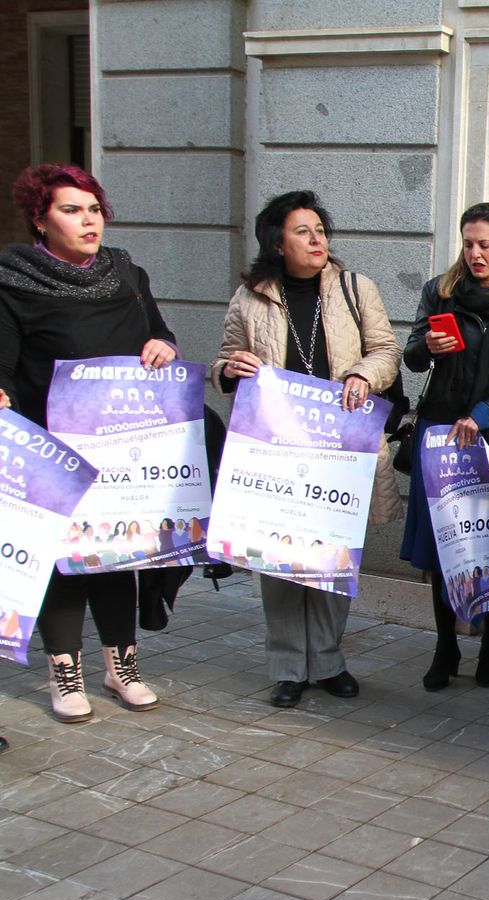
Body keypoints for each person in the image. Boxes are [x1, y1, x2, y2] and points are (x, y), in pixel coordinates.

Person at [0, 163, 176, 722]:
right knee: (65, 561)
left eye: (94, 209)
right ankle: (64, 671)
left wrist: (163, 346)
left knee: (117, 554)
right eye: (71, 210)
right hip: (52, 447)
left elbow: (160, 332)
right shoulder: (13, 279)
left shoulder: (126, 273)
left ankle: (121, 665)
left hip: (124, 444)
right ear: (40, 218)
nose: (88, 220)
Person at [215, 190, 402, 708]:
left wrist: (365, 374)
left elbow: (386, 351)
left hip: (338, 449)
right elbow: (225, 360)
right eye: (303, 231)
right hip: (275, 451)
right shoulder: (249, 297)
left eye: (320, 229)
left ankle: (327, 660)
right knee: (278, 561)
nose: (317, 238)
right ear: (277, 243)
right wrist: (230, 370)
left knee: (330, 556)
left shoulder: (354, 288)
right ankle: (287, 668)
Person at [401, 203, 489, 691]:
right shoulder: (440, 292)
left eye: (485, 243)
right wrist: (426, 349)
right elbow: (412, 355)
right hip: (441, 433)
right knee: (447, 546)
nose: (475, 253)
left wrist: (484, 415)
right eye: (468, 243)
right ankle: (445, 647)